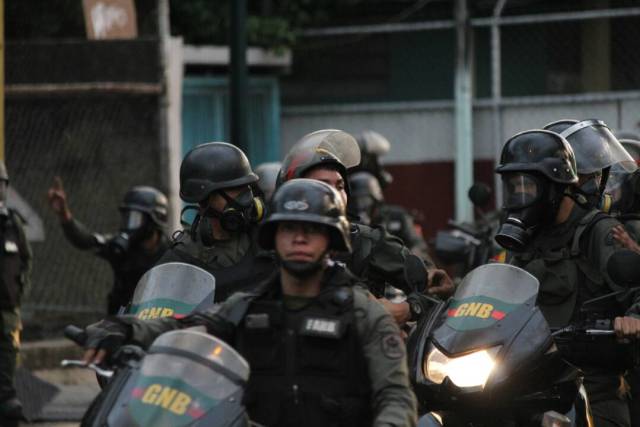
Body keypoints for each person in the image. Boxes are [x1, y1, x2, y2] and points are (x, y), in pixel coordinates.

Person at [80, 179, 418, 427]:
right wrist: (122, 328)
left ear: (332, 240)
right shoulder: (247, 307)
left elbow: (395, 397)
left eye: (311, 230)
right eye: (289, 228)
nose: (299, 238)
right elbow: (181, 327)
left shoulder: (365, 314)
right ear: (274, 237)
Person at [494, 129, 640, 427]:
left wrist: (633, 318)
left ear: (555, 186)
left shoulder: (599, 232)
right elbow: (500, 293)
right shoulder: (525, 240)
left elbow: (637, 286)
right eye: (513, 187)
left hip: (591, 386)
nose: (520, 197)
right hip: (528, 382)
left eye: (528, 187)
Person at [278, 129, 453, 325]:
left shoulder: (365, 241)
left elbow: (436, 285)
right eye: (323, 185)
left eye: (340, 186)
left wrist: (409, 308)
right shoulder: (266, 243)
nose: (334, 194)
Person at [156, 142, 275, 302]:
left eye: (247, 188)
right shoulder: (181, 258)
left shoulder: (269, 242)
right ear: (204, 200)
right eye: (234, 190)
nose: (246, 199)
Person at [47, 180, 169, 314]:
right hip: (122, 321)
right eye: (126, 218)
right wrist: (64, 215)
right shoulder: (121, 247)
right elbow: (85, 240)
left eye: (134, 219)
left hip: (158, 317)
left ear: (155, 220)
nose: (129, 225)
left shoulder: (171, 251)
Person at [0, 161, 31, 420]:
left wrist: (20, 290)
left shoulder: (11, 223)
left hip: (7, 315)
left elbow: (25, 259)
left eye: (1, 184)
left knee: (7, 391)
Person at [348, 171, 430, 259]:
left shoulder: (397, 217)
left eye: (364, 199)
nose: (360, 204)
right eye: (355, 200)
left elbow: (418, 244)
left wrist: (409, 261)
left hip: (399, 266)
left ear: (376, 198)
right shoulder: (352, 224)